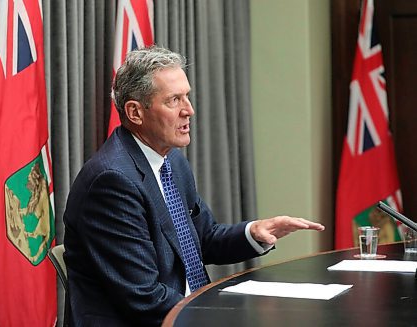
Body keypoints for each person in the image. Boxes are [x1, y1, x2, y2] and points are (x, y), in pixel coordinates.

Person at [63, 46, 325, 326]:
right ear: (135, 112)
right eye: (174, 100)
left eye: (186, 97)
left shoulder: (171, 161)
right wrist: (224, 314)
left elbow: (204, 240)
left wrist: (255, 232)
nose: (189, 110)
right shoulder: (112, 182)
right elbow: (143, 297)